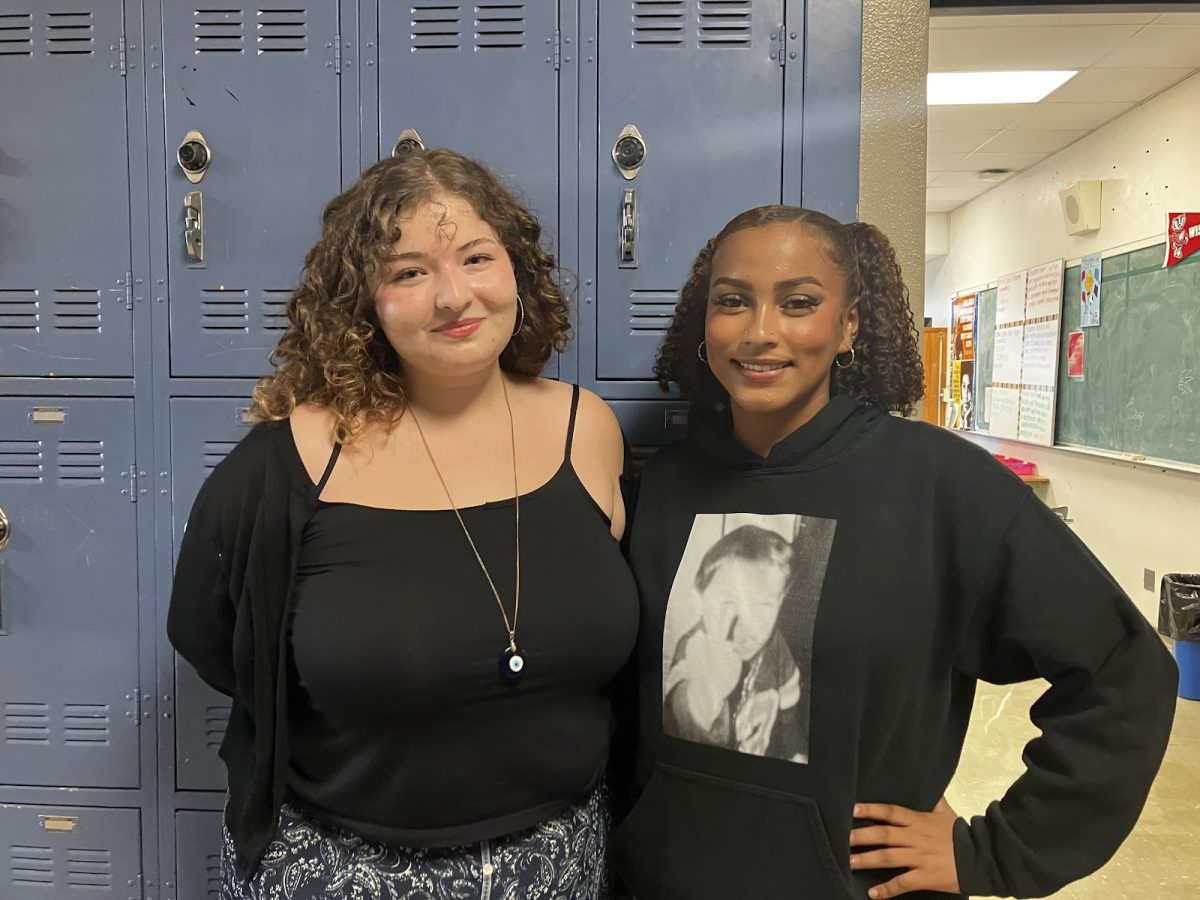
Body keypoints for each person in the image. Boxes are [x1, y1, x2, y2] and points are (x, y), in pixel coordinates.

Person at [611, 205, 1177, 900]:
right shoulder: (665, 483)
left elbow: (1124, 671)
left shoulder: (940, 484)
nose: (760, 332)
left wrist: (997, 852)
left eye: (798, 303)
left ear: (848, 323)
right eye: (733, 302)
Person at [168, 149, 639, 900]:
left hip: (559, 866)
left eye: (477, 257)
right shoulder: (289, 462)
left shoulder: (588, 430)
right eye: (410, 272)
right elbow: (212, 639)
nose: (454, 296)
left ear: (516, 268)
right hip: (341, 870)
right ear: (364, 301)